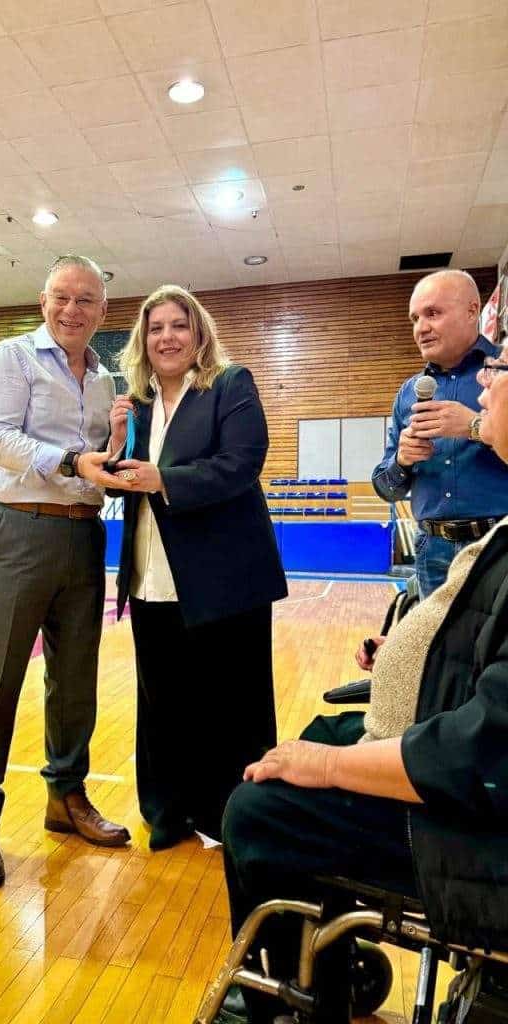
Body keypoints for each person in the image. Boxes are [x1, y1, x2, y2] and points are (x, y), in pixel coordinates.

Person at [219, 345, 508, 1023]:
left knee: (259, 807)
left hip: (475, 832)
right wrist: (416, 650)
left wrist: (329, 768)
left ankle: (283, 1000)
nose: (487, 382)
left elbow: (481, 754)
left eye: (502, 373)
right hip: (461, 773)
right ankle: (322, 973)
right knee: (316, 735)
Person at [0, 254, 135, 887]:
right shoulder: (13, 358)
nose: (71, 309)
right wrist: (73, 460)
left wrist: (115, 451)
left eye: (85, 300)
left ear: (102, 312)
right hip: (21, 530)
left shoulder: (106, 381)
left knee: (75, 681)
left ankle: (66, 796)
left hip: (85, 534)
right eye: (62, 296)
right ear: (43, 301)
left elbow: (100, 463)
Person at [109, 285, 287, 850]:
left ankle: (233, 813)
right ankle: (167, 809)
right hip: (151, 573)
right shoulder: (136, 404)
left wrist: (165, 479)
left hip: (225, 578)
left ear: (199, 333)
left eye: (178, 325)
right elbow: (118, 477)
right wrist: (114, 442)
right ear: (143, 340)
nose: (167, 337)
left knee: (232, 701)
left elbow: (242, 462)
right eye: (155, 328)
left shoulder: (230, 384)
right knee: (161, 701)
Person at [372, 269, 508, 598]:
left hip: (498, 546)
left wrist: (477, 427)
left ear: (472, 311)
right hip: (432, 553)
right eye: (415, 318)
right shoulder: (408, 394)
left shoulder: (503, 373)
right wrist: (402, 461)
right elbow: (386, 488)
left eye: (432, 313)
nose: (420, 328)